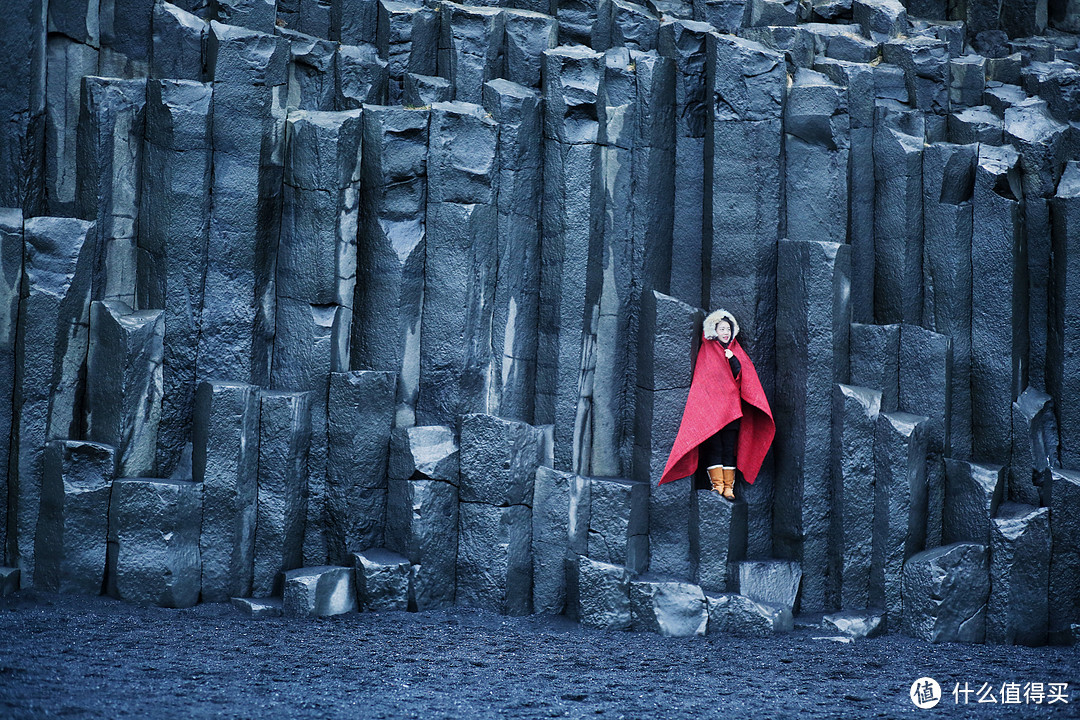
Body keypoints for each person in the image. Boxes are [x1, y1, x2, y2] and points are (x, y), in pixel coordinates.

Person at [658, 309, 774, 500]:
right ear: (714, 330)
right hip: (713, 415)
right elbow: (704, 382)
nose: (725, 332)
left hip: (732, 412)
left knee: (729, 449)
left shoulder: (736, 351)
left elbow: (746, 379)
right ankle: (717, 485)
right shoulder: (707, 350)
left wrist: (732, 359)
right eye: (722, 329)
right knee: (715, 449)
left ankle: (729, 487)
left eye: (728, 329)